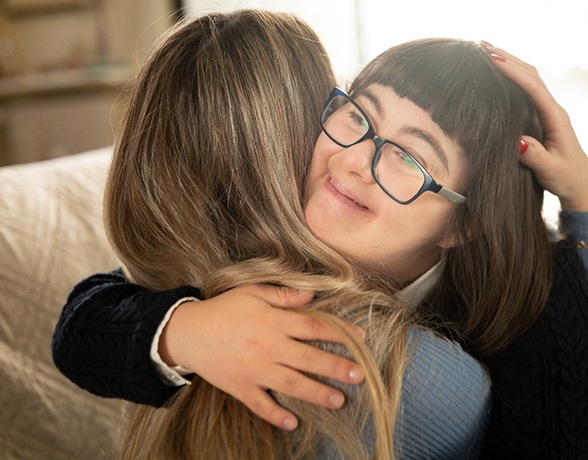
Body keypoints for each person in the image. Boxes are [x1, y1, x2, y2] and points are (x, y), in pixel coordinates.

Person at [52, 10, 588, 458]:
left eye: (408, 156)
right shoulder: (258, 243)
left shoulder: (509, 334)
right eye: (359, 116)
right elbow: (88, 316)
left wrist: (581, 204)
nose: (355, 160)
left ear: (465, 224)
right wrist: (183, 332)